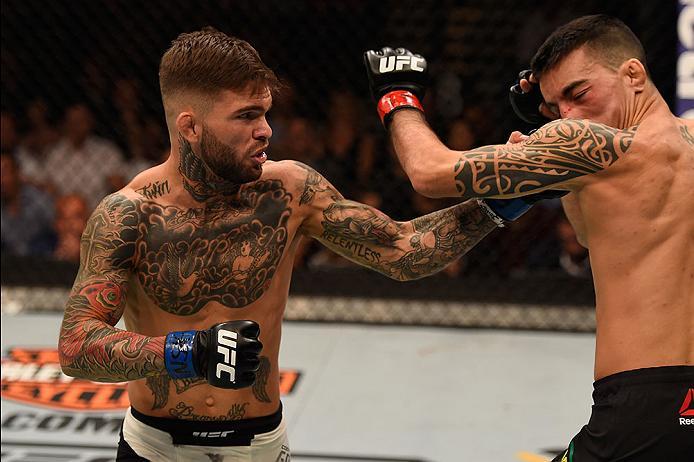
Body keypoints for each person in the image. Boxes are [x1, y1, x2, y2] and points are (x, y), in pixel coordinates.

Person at [57, 28, 554, 462]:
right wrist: (190, 352)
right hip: (156, 448)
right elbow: (77, 348)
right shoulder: (128, 216)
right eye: (246, 116)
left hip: (258, 445)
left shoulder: (288, 190)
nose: (265, 131)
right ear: (190, 126)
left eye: (266, 113)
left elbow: (403, 250)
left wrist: (502, 201)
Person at [363, 14, 693, 461]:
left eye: (578, 93)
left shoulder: (583, 141)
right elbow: (603, 238)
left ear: (633, 73)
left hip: (642, 402)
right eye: (557, 107)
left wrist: (396, 96)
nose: (570, 115)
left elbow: (429, 172)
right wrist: (555, 162)